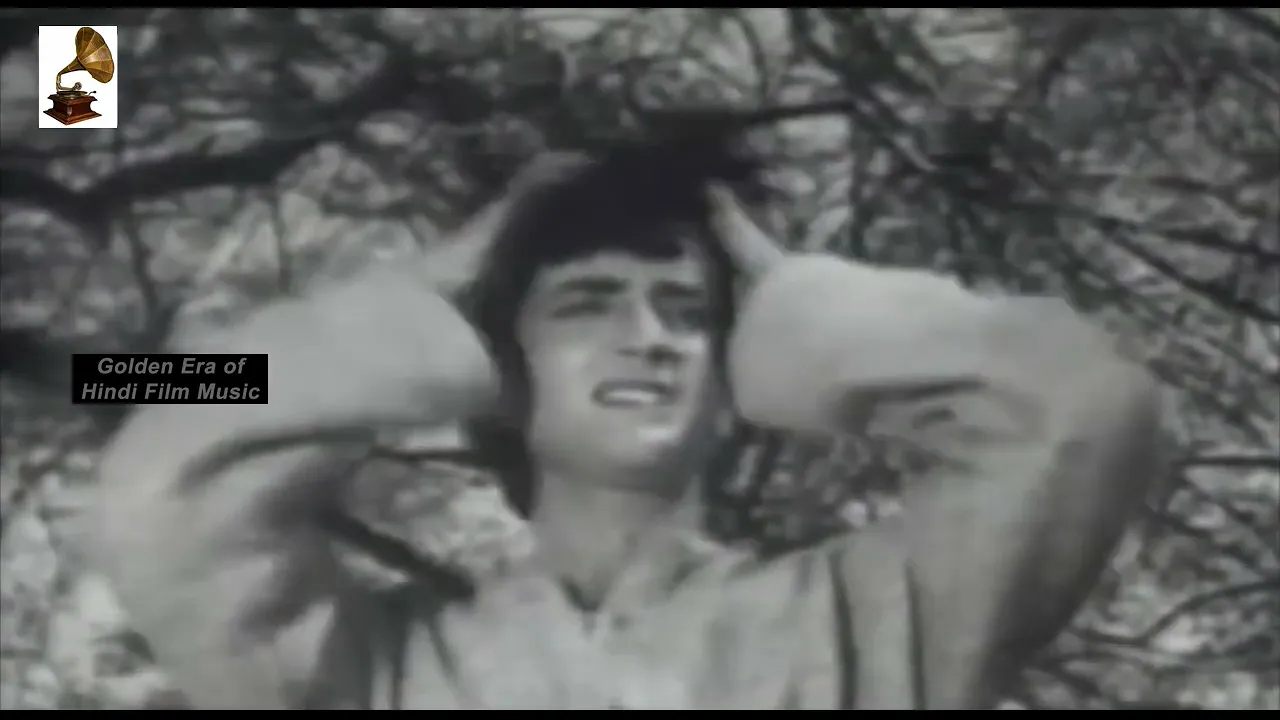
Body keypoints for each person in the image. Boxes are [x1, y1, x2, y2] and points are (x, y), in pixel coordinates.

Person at [90, 146, 1164, 710]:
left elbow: (1082, 405)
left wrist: (792, 294)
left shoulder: (865, 623)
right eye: (587, 303)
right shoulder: (375, 674)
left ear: (735, 376)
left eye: (687, 311)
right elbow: (164, 454)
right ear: (504, 374)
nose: (648, 337)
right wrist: (429, 295)